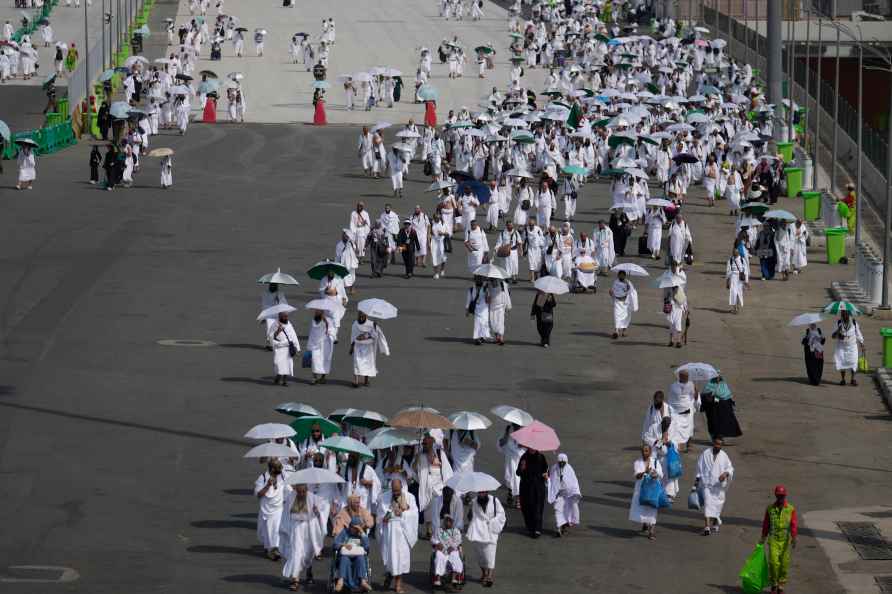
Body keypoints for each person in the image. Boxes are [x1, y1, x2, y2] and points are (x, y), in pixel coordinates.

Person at [376, 478, 418, 594]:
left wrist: (404, 513)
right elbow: (380, 515)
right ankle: (389, 574)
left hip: (403, 531)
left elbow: (414, 514)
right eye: (393, 491)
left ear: (402, 488)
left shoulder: (410, 497)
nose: (395, 493)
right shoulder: (384, 497)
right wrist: (384, 518)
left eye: (397, 491)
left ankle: (398, 583)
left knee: (400, 557)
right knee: (391, 557)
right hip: (389, 531)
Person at [281, 483, 324, 591]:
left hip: (310, 528)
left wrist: (317, 511)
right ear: (296, 490)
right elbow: (286, 513)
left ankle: (309, 570)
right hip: (296, 528)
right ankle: (295, 579)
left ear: (306, 490)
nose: (301, 494)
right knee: (297, 553)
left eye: (303, 491)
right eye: (299, 491)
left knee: (308, 554)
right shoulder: (291, 497)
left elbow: (321, 514)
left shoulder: (314, 498)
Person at [414, 434, 453, 539]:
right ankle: (431, 532)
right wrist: (416, 460)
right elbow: (415, 472)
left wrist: (442, 485)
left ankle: (437, 536)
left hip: (438, 489)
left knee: (436, 514)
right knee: (428, 512)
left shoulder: (440, 454)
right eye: (423, 443)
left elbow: (448, 473)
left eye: (425, 443)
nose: (423, 445)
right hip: (426, 488)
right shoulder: (420, 456)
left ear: (432, 442)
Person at [760, 486, 797, 594]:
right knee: (773, 563)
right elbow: (766, 524)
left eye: (782, 496)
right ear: (775, 496)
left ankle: (781, 585)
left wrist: (794, 537)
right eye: (778, 495)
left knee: (784, 564)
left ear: (785, 496)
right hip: (774, 540)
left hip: (785, 540)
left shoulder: (790, 509)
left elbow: (793, 524)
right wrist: (763, 537)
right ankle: (774, 584)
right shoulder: (770, 508)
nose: (780, 497)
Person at [695, 435, 734, 535]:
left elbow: (730, 468)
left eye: (720, 445)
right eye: (716, 444)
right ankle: (707, 527)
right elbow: (699, 468)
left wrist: (725, 474)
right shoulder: (705, 454)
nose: (718, 446)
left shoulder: (724, 456)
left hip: (719, 487)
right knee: (708, 504)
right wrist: (695, 484)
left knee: (717, 507)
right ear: (713, 443)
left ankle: (716, 520)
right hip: (707, 484)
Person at [465, 491, 506, 587]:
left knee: (490, 555)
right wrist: (470, 510)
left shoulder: (495, 501)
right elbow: (469, 518)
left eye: (483, 492)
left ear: (487, 492)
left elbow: (501, 514)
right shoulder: (474, 502)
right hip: (477, 532)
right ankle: (484, 573)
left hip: (491, 531)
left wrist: (492, 522)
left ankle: (489, 576)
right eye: (480, 492)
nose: (481, 494)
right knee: (480, 556)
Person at [254, 459, 287, 560]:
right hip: (266, 509)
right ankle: (269, 549)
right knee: (266, 531)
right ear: (272, 469)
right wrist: (268, 485)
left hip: (278, 509)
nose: (280, 471)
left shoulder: (282, 476)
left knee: (276, 530)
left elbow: (288, 487)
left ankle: (274, 550)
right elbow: (258, 494)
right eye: (277, 469)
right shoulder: (262, 478)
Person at [332, 512, 372, 592]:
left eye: (357, 528)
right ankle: (341, 581)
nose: (355, 530)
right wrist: (343, 545)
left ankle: (363, 581)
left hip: (357, 556)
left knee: (360, 558)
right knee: (344, 558)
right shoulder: (344, 532)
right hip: (345, 556)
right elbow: (335, 544)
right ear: (350, 527)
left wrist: (362, 533)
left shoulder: (361, 534)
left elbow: (367, 547)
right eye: (353, 528)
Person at [629, 443, 662, 541]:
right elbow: (637, 476)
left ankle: (651, 531)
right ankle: (645, 523)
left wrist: (655, 474)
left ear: (650, 452)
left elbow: (661, 475)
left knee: (652, 508)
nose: (645, 453)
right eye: (643, 451)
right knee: (643, 507)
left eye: (647, 451)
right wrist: (645, 472)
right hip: (641, 489)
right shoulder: (637, 462)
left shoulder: (655, 462)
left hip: (652, 490)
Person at [349, 311, 390, 387]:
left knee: (368, 363)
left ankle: (366, 380)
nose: (361, 317)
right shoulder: (355, 324)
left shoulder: (371, 324)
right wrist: (351, 346)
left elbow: (375, 335)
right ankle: (356, 381)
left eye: (362, 316)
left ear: (366, 316)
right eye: (359, 316)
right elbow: (353, 335)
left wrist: (369, 333)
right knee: (357, 363)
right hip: (358, 346)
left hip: (368, 347)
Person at [547, 453, 581, 537]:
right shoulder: (554, 468)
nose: (561, 464)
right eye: (560, 462)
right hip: (558, 494)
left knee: (567, 511)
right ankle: (558, 528)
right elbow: (552, 480)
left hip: (568, 495)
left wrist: (575, 492)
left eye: (563, 463)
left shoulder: (569, 469)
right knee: (558, 510)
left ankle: (564, 525)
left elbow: (574, 482)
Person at [517, 447, 548, 538]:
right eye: (530, 448)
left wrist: (546, 474)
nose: (532, 449)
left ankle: (537, 529)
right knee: (526, 507)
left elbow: (546, 470)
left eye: (533, 448)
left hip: (538, 487)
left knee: (538, 507)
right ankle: (530, 527)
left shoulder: (541, 457)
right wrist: (522, 468)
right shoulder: (524, 457)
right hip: (526, 487)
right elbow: (518, 473)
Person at [667, 370, 699, 451]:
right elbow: (671, 398)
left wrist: (696, 391)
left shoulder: (691, 385)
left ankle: (689, 444)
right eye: (684, 376)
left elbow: (694, 397)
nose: (686, 378)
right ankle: (677, 445)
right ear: (680, 377)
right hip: (676, 412)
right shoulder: (673, 386)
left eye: (687, 377)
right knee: (676, 429)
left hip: (688, 411)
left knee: (690, 428)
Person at [268, 311, 299, 386]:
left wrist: (297, 347)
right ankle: (278, 377)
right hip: (279, 348)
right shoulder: (275, 324)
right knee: (278, 364)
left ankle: (284, 381)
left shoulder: (289, 324)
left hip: (287, 348)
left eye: (287, 316)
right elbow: (271, 336)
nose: (286, 318)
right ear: (280, 316)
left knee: (287, 364)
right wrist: (278, 331)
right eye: (284, 316)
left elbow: (293, 335)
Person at [432, 514, 463, 588]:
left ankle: (454, 578)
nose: (448, 522)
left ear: (452, 522)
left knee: (455, 556)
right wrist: (437, 543)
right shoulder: (439, 530)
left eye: (450, 521)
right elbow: (433, 539)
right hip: (442, 550)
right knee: (439, 556)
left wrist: (452, 547)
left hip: (452, 550)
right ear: (444, 521)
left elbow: (458, 541)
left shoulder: (456, 531)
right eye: (446, 520)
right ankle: (438, 579)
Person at [610, 270, 638, 339]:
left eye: (623, 275)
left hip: (626, 303)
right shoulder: (615, 282)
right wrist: (611, 293)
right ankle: (616, 331)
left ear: (625, 276)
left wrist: (628, 286)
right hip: (617, 301)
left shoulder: (628, 282)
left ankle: (624, 331)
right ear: (618, 275)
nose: (621, 276)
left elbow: (632, 292)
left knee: (626, 317)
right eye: (620, 275)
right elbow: (613, 290)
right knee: (617, 316)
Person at [306, 310, 332, 384]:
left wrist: (326, 322)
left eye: (318, 312)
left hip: (324, 344)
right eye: (316, 312)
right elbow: (312, 331)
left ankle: (323, 377)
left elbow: (330, 330)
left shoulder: (328, 320)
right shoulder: (313, 320)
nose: (316, 313)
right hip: (314, 344)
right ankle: (314, 377)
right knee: (314, 360)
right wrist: (309, 345)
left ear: (322, 312)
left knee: (324, 361)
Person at [726, 248, 749, 314]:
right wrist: (728, 280)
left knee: (739, 293)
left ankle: (737, 307)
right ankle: (735, 308)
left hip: (740, 278)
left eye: (736, 252)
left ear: (738, 253)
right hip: (733, 277)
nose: (735, 253)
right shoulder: (730, 260)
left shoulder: (742, 260)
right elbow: (728, 271)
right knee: (733, 293)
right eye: (734, 252)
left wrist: (746, 281)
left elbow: (746, 270)